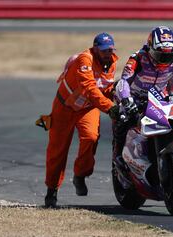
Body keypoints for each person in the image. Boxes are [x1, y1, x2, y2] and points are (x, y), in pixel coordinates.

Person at [113, 26, 173, 206]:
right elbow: (124, 81)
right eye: (160, 55)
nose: (164, 59)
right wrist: (126, 101)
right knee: (123, 122)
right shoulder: (137, 58)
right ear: (150, 48)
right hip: (137, 98)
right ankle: (118, 159)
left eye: (168, 55)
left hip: (161, 98)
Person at [44, 32, 120, 208]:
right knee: (57, 150)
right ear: (95, 49)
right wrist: (109, 108)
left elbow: (104, 88)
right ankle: (51, 191)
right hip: (64, 108)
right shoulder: (85, 60)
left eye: (110, 50)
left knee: (91, 137)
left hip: (87, 108)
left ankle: (80, 174)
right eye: (103, 50)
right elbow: (89, 87)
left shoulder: (113, 62)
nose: (107, 53)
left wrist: (116, 94)